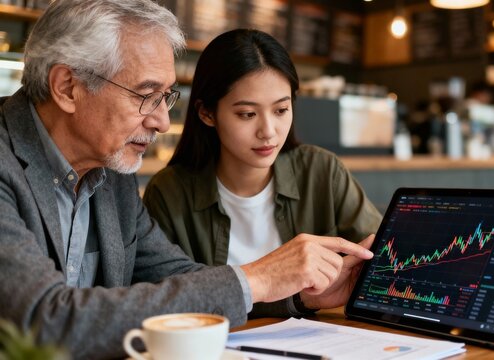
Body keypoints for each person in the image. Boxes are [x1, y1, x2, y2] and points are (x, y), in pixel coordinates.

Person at [0, 1, 374, 359]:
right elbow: (42, 321)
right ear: (68, 87)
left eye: (166, 97)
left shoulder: (110, 174)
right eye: (146, 95)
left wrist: (298, 295)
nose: (162, 121)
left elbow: (176, 279)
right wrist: (258, 276)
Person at [143, 29, 381, 282]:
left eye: (280, 110)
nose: (268, 132)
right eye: (247, 114)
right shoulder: (169, 193)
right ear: (207, 113)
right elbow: (168, 296)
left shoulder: (322, 172)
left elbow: (383, 255)